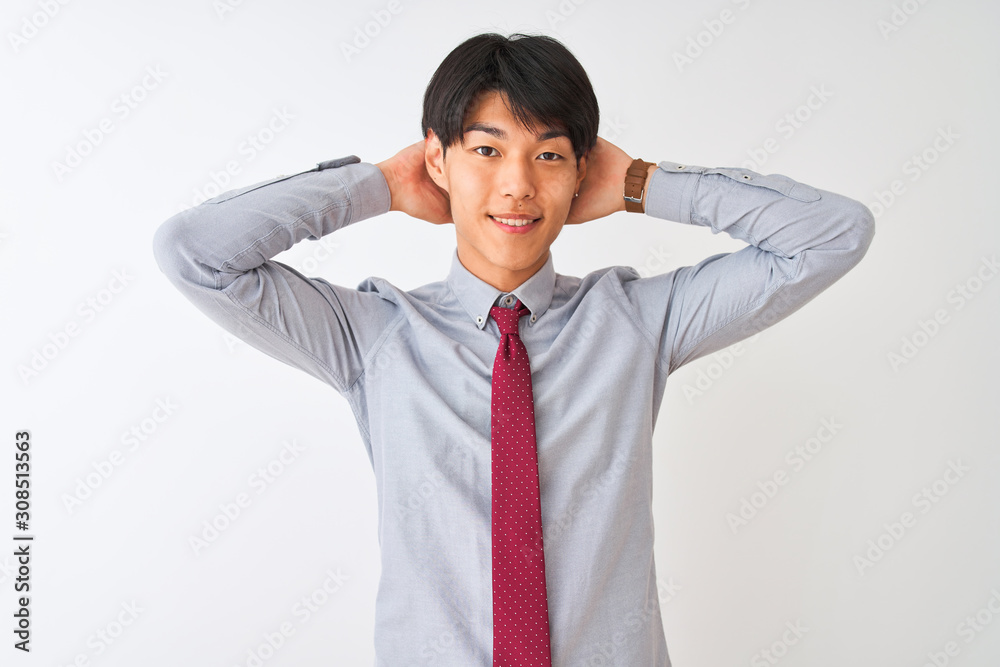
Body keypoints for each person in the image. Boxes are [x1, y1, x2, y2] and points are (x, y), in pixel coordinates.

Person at [152, 31, 875, 666]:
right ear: (438, 159)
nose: (518, 185)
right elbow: (193, 254)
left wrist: (638, 183)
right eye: (486, 150)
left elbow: (835, 233)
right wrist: (375, 185)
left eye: (549, 156)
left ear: (579, 173)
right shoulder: (373, 333)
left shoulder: (637, 321)